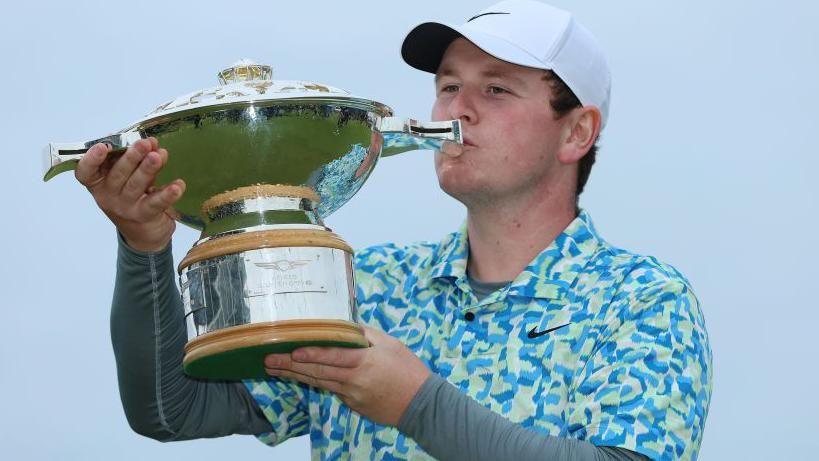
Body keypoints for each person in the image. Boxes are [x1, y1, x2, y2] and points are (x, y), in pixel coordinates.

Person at [75, 1, 712, 460]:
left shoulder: (642, 299)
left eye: (496, 89)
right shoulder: (370, 284)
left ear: (577, 131)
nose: (456, 109)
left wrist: (414, 401)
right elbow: (170, 412)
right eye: (448, 86)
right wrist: (144, 247)